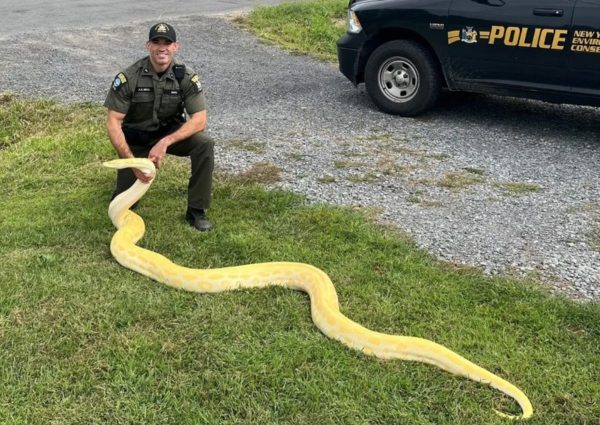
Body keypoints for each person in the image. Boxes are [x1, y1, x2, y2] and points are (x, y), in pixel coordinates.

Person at [104, 22, 214, 231]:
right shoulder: (129, 78)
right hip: (136, 139)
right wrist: (131, 162)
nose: (162, 47)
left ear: (175, 47)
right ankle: (125, 182)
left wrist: (165, 142)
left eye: (167, 42)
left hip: (168, 133)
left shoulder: (186, 77)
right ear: (148, 46)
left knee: (205, 144)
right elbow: (113, 123)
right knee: (123, 205)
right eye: (156, 42)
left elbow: (200, 120)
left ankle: (196, 211)